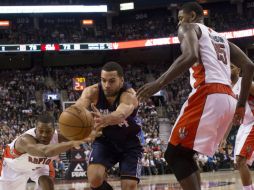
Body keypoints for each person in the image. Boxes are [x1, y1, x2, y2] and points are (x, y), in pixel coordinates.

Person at [136, 2, 254, 190]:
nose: (179, 23)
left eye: (181, 18)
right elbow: (248, 66)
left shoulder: (188, 27)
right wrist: (240, 105)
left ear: (191, 16)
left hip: (209, 92)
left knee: (174, 155)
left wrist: (158, 83)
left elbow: (189, 56)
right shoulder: (222, 39)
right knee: (184, 153)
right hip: (229, 98)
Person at [75, 61, 143, 190]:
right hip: (105, 141)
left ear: (121, 80)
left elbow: (121, 115)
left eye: (112, 81)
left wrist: (104, 119)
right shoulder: (92, 91)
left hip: (130, 143)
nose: (106, 85)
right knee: (94, 179)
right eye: (103, 80)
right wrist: (75, 116)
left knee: (129, 186)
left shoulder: (129, 95)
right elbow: (78, 107)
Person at [0, 114, 91, 190]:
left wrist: (92, 131)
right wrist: (74, 142)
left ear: (53, 130)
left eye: (48, 131)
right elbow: (45, 151)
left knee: (47, 184)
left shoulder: (58, 136)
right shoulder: (25, 140)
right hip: (13, 168)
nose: (44, 135)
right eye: (41, 131)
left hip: (37, 166)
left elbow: (80, 136)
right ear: (36, 129)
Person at [231, 64, 254, 190]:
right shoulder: (229, 89)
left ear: (238, 70)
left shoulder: (246, 83)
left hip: (253, 123)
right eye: (227, 67)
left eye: (232, 67)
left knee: (241, 160)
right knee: (238, 163)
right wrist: (223, 137)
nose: (229, 69)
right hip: (244, 126)